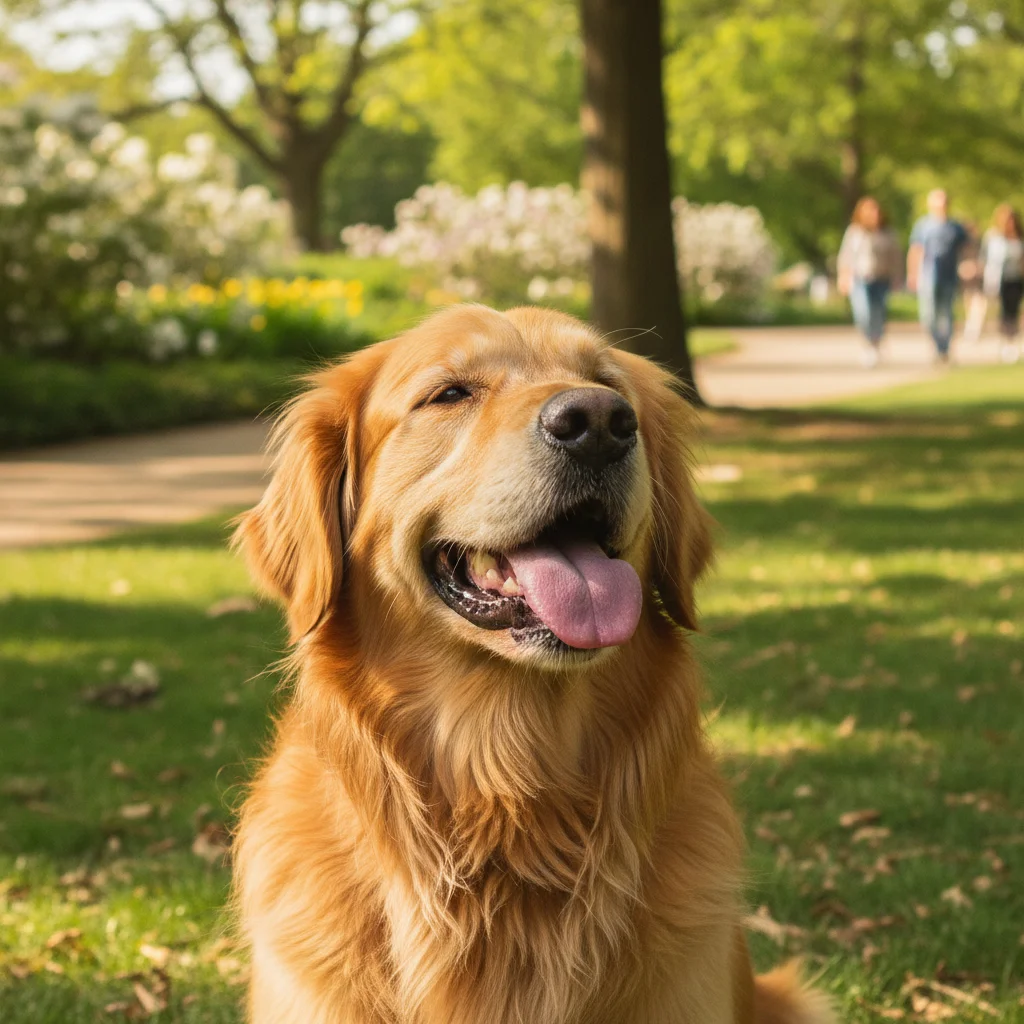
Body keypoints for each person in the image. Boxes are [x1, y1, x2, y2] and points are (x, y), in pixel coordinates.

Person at [837, 197, 903, 367]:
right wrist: (843, 276)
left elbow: (896, 257)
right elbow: (846, 256)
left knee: (878, 314)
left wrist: (897, 277)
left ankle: (876, 344)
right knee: (863, 313)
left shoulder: (887, 233)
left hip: (881, 279)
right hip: (860, 279)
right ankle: (867, 344)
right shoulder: (855, 232)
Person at [907, 189, 969, 363]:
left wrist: (968, 266)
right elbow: (915, 250)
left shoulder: (955, 227)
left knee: (947, 314)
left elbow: (967, 249)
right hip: (928, 276)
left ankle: (944, 349)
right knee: (929, 315)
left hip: (949, 276)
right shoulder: (923, 226)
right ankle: (937, 344)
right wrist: (912, 274)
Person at [980, 203, 1024, 364]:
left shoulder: (1019, 238)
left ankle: (1013, 340)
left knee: (1014, 310)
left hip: (1016, 279)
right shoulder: (993, 237)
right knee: (1004, 312)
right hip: (999, 280)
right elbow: (985, 259)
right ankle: (1006, 342)